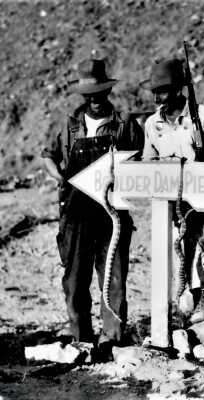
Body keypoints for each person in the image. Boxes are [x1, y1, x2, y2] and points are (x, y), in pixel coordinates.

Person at [42, 59, 144, 357]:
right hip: (75, 214)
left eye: (100, 94)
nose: (95, 100)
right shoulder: (69, 125)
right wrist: (57, 174)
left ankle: (112, 339)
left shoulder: (125, 124)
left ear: (107, 92)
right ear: (83, 97)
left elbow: (141, 163)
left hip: (112, 214)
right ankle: (81, 338)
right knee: (75, 280)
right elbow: (48, 156)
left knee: (113, 278)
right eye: (89, 96)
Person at [142, 58, 204, 324]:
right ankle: (175, 315)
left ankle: (203, 311)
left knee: (200, 255)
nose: (157, 97)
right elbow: (148, 164)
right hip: (168, 208)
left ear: (178, 89)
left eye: (162, 90)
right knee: (172, 263)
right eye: (154, 91)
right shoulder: (153, 125)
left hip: (200, 207)